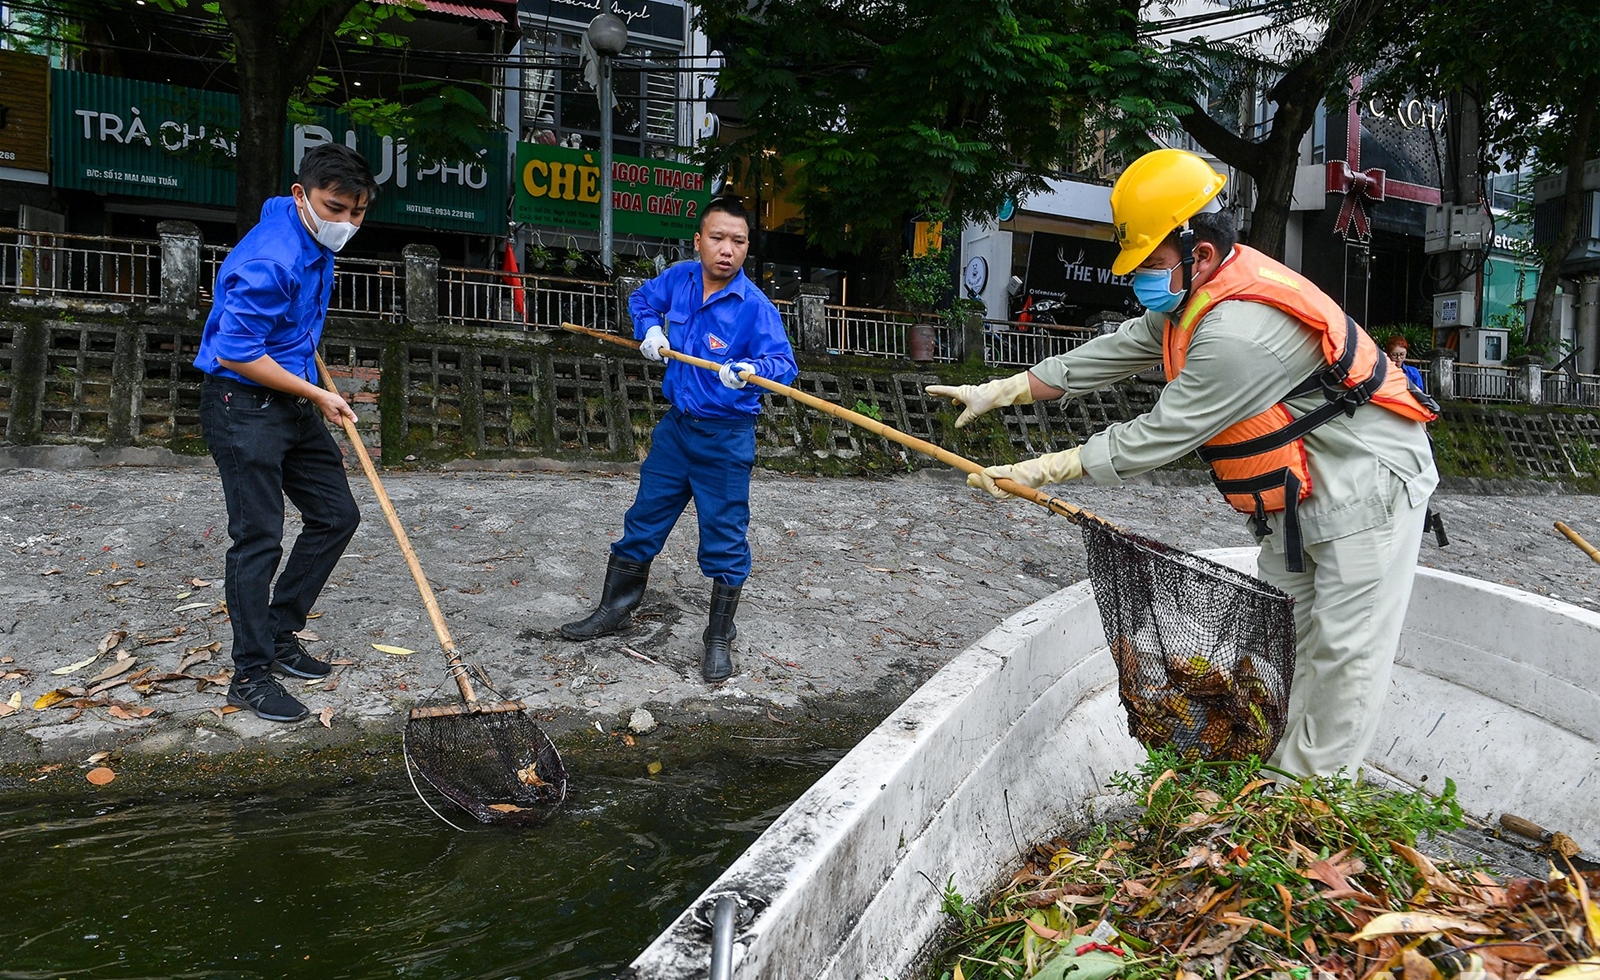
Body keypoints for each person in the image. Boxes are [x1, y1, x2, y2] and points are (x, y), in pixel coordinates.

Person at [926, 148, 1439, 779]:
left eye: (1149, 263)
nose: (1138, 277)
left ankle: (1309, 802)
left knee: (1343, 650)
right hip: (1297, 490)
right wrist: (1009, 388)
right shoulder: (1196, 299)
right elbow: (1120, 348)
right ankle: (1282, 771)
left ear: (1198, 252)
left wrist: (1043, 469)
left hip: (1368, 484)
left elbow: (1157, 437)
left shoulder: (1237, 336)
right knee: (1292, 631)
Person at [559, 197, 798, 682]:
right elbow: (641, 300)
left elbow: (784, 367)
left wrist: (752, 371)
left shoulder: (755, 307)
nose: (727, 249)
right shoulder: (680, 279)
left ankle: (718, 635)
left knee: (726, 538)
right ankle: (614, 610)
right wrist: (648, 329)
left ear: (747, 247)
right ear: (698, 240)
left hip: (726, 439)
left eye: (738, 241)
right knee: (643, 519)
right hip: (676, 430)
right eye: (717, 237)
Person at [194, 144, 376, 722]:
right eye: (335, 208)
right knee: (258, 539)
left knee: (336, 514)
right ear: (303, 197)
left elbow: (289, 324)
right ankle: (248, 675)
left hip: (291, 394)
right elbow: (238, 352)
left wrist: (306, 378)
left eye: (358, 211)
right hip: (241, 402)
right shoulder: (271, 259)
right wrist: (320, 393)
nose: (346, 223)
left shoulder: (303, 228)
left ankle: (278, 632)